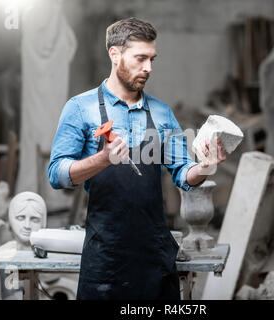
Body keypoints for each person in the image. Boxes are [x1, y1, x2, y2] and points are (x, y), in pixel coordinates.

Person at [48, 17, 226, 300]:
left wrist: (205, 166)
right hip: (105, 254)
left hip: (154, 253)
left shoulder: (162, 112)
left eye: (152, 59)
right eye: (140, 58)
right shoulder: (81, 108)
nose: (148, 68)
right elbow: (57, 174)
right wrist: (102, 159)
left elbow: (183, 173)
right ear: (114, 54)